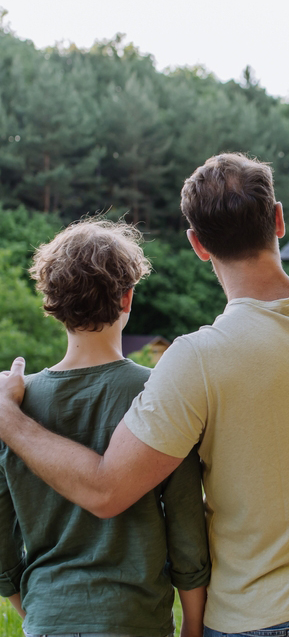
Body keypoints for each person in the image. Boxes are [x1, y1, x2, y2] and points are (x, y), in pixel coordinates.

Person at [0, 154, 289, 636]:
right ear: (278, 219)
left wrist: (11, 420)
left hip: (254, 618)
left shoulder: (194, 360)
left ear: (198, 245)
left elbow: (105, 490)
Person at [0, 219, 210, 637]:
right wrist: (193, 624)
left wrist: (40, 608)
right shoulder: (155, 391)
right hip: (136, 619)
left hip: (47, 617)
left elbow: (1, 525)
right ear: (127, 298)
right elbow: (186, 521)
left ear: (50, 301)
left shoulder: (14, 404)